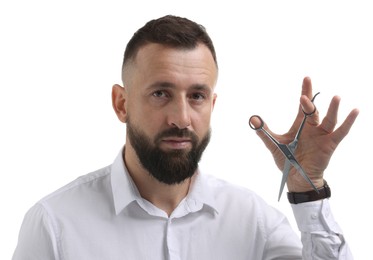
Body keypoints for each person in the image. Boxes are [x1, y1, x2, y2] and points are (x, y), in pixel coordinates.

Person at [13, 15, 359, 260]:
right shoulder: (54, 224)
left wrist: (307, 188)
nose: (181, 119)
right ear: (122, 104)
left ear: (212, 104)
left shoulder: (255, 222)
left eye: (196, 96)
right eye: (161, 93)